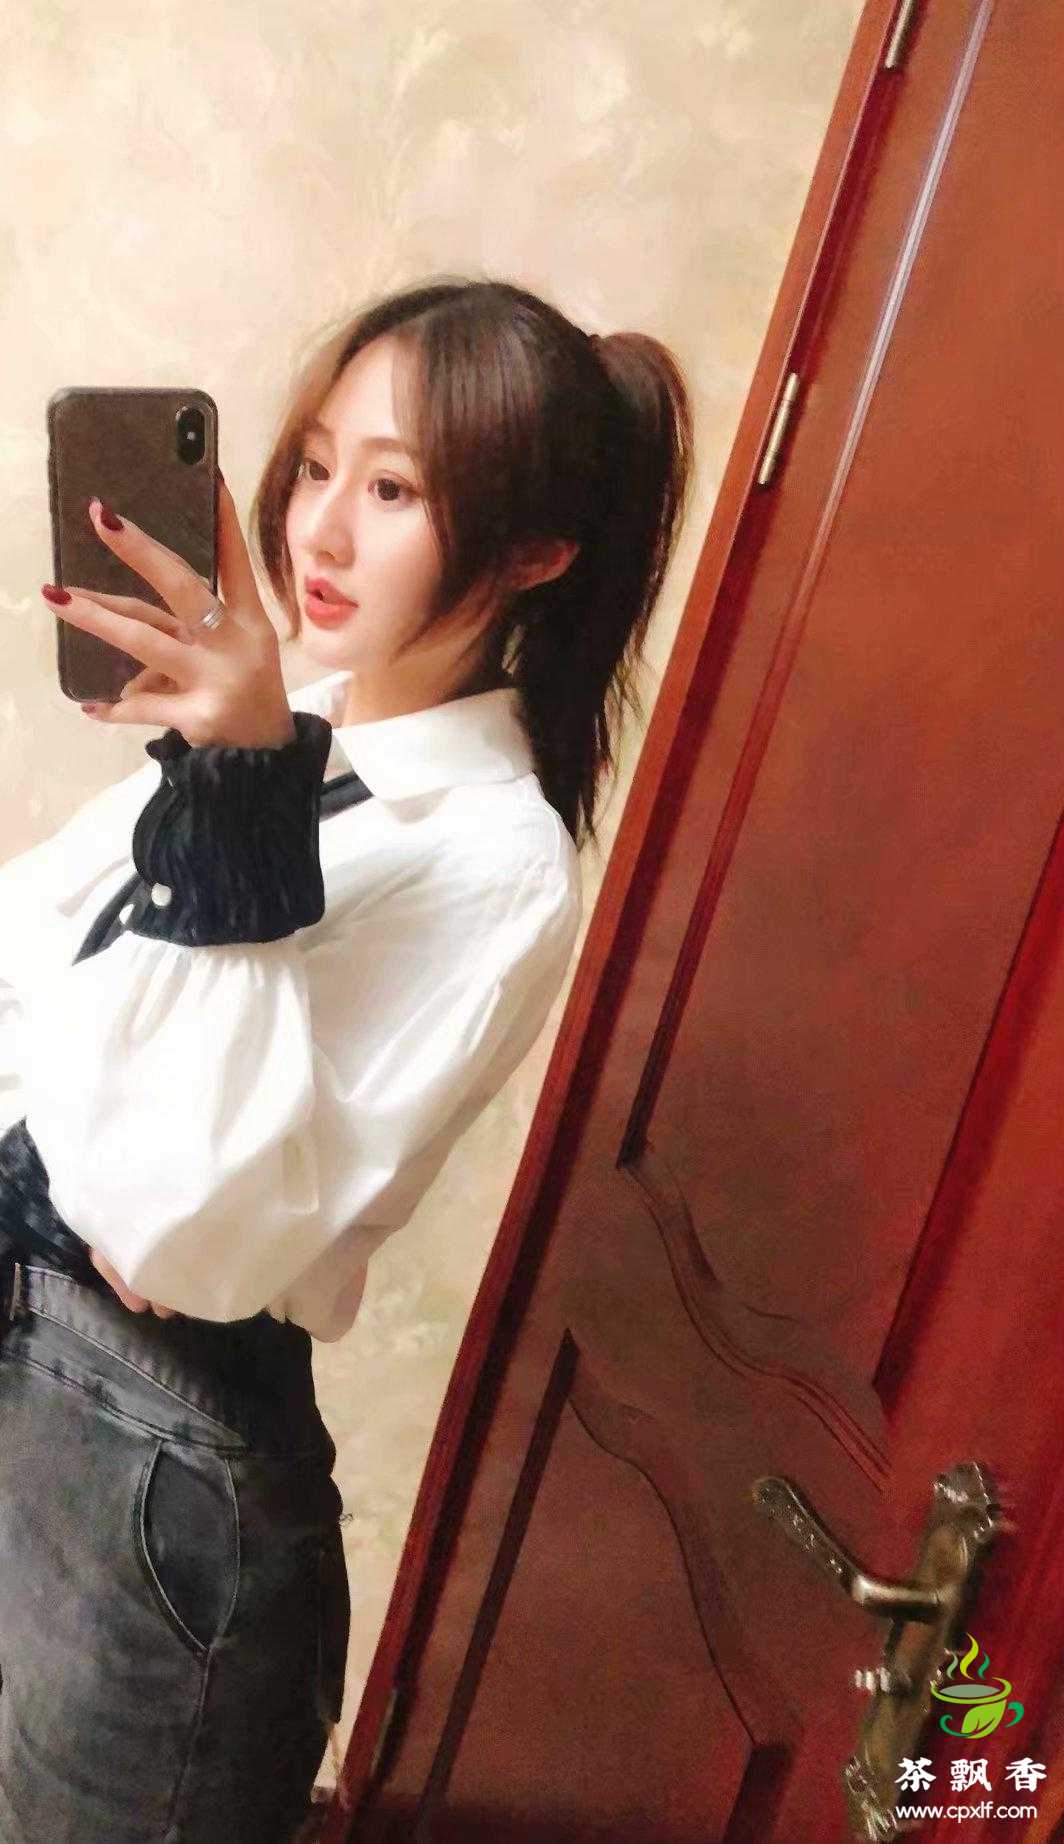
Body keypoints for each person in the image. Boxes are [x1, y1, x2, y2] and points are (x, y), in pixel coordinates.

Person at [0, 276, 694, 1843]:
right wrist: (236, 778)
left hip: (163, 1478)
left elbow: (182, 1230)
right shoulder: (300, 724)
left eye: (392, 492)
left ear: (533, 553)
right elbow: (26, 972)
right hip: (55, 1390)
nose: (317, 529)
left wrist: (237, 797)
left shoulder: (498, 858)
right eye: (316, 464)